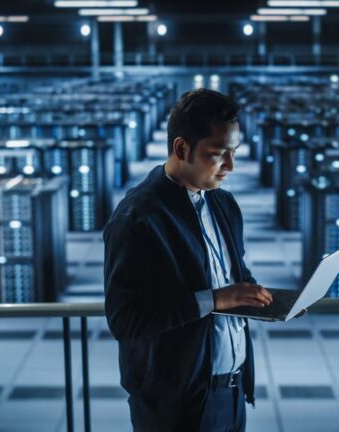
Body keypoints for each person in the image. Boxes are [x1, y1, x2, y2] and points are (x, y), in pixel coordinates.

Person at [103, 88, 274, 431]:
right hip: (176, 406)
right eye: (218, 154)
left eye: (234, 152)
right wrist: (215, 300)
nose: (230, 166)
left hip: (232, 391)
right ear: (182, 149)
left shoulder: (222, 204)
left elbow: (233, 272)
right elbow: (125, 320)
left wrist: (259, 297)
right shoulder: (138, 217)